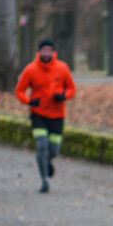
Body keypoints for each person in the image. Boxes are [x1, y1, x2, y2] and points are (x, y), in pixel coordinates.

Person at [14, 38, 75, 193]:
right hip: (38, 114)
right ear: (39, 52)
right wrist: (29, 101)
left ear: (53, 52)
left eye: (49, 50)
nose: (46, 53)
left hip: (57, 115)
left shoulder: (62, 68)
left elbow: (72, 89)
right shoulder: (30, 69)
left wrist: (64, 95)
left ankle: (46, 162)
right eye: (44, 50)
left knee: (54, 150)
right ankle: (45, 180)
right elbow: (19, 90)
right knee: (42, 146)